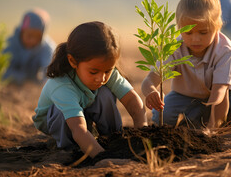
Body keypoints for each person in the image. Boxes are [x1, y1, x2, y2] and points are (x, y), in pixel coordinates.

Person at [141, 0, 231, 130]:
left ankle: (222, 117)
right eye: (188, 32)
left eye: (203, 32)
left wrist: (212, 128)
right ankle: (198, 115)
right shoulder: (174, 48)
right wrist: (151, 91)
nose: (195, 39)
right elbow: (149, 80)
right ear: (179, 28)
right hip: (185, 96)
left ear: (217, 27)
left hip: (225, 94)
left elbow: (220, 93)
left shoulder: (226, 50)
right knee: (163, 114)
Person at [32, 21, 147, 158]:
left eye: (108, 71)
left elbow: (132, 100)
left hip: (82, 112)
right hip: (59, 120)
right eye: (93, 72)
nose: (101, 78)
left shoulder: (103, 70)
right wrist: (101, 156)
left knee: (105, 93)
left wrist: (143, 134)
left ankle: (113, 137)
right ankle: (68, 148)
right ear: (73, 61)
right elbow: (78, 128)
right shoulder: (62, 85)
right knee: (61, 113)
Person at [0, 8, 56, 85]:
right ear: (22, 32)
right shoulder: (10, 43)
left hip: (32, 81)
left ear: (42, 36)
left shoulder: (46, 48)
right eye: (29, 35)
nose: (32, 40)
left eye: (37, 37)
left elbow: (50, 68)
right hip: (8, 78)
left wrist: (47, 81)